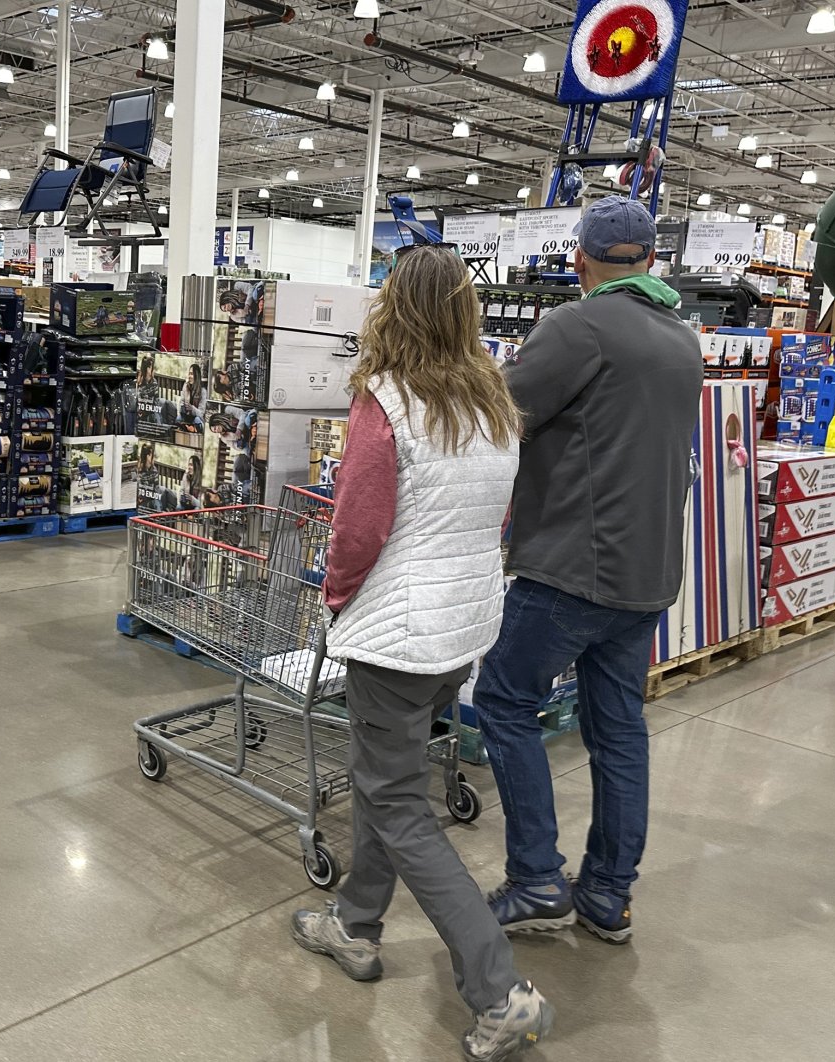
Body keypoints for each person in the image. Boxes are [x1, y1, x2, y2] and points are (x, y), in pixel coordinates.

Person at [290, 245, 553, 1062]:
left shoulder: (388, 401)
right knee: (388, 782)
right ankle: (356, 927)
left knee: (399, 804)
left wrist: (336, 597)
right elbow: (494, 519)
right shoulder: (494, 402)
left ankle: (497, 987)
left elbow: (357, 527)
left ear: (391, 309)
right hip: (462, 630)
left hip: (397, 635)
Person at [476, 195, 703, 944]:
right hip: (647, 575)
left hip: (573, 568)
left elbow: (501, 411)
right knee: (619, 732)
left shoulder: (579, 325)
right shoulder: (681, 336)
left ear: (580, 260)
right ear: (652, 259)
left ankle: (538, 879)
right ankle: (607, 894)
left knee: (506, 701)